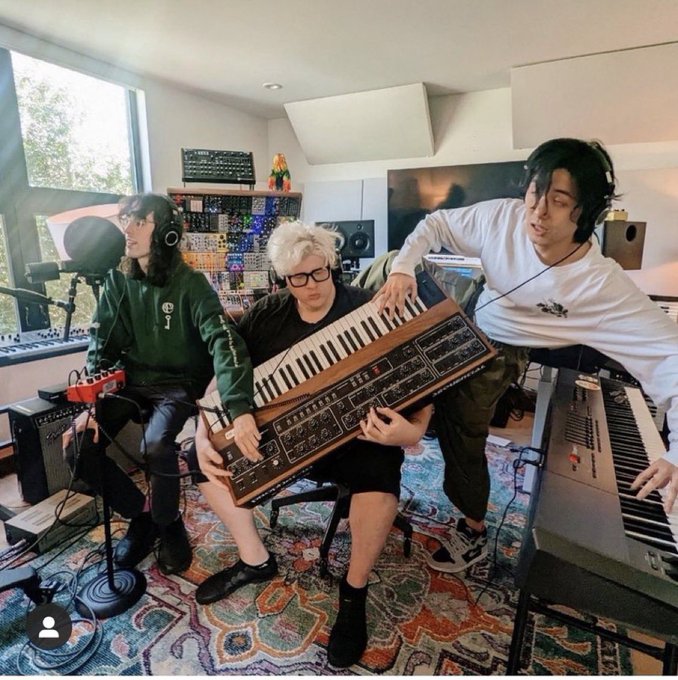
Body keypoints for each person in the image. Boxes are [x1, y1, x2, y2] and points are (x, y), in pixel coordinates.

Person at [377, 137, 678, 574]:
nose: (538, 212)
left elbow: (670, 355)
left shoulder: (600, 284)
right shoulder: (501, 216)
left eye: (559, 201)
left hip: (505, 345)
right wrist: (403, 268)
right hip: (473, 308)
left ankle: (473, 529)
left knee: (461, 424)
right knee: (386, 267)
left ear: (587, 211)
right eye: (535, 194)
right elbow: (435, 224)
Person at [190, 221, 432, 668]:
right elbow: (227, 370)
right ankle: (255, 560)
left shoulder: (369, 306)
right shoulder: (267, 313)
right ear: (283, 279)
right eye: (298, 278)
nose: (312, 286)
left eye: (320, 273)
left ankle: (354, 591)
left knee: (379, 478)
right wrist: (203, 429)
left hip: (357, 438)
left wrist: (412, 432)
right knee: (201, 460)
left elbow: (419, 376)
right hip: (286, 436)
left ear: (331, 266)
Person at [62, 193, 259, 575]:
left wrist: (238, 406)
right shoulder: (117, 281)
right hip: (130, 381)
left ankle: (169, 525)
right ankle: (143, 516)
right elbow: (102, 345)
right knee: (79, 446)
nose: (128, 230)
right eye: (126, 221)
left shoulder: (192, 284)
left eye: (140, 222)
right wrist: (93, 407)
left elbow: (224, 341)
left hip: (177, 384)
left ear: (167, 233)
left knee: (156, 445)